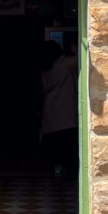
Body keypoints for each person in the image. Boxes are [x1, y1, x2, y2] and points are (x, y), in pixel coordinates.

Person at [39, 40, 78, 177]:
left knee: (55, 147)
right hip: (65, 112)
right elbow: (83, 58)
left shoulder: (45, 69)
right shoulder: (63, 64)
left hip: (50, 111)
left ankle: (57, 168)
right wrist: (74, 48)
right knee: (67, 145)